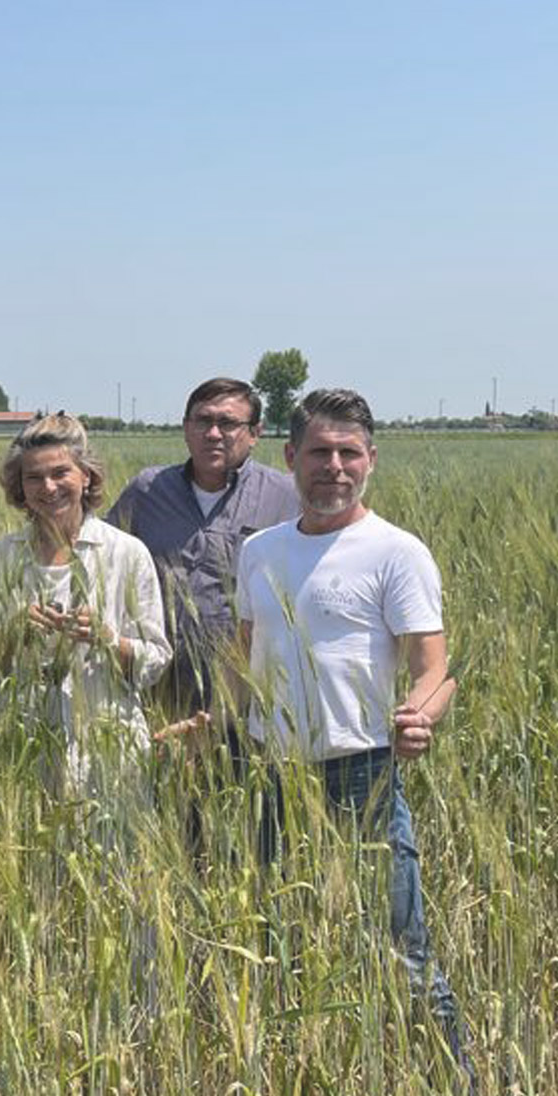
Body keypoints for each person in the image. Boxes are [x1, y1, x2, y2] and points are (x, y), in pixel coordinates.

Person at [236, 388, 474, 1087]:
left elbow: (436, 668)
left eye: (348, 453)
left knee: (404, 949)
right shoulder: (260, 551)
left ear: (371, 459)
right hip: (273, 777)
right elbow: (244, 656)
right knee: (280, 943)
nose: (333, 466)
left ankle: (459, 1076)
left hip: (362, 776)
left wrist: (421, 714)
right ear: (290, 459)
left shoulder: (396, 552)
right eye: (319, 452)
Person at [0, 412, 171, 791]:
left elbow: (155, 662)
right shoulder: (0, 560)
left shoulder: (126, 554)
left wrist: (108, 639)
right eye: (33, 477)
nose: (48, 487)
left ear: (86, 476)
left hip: (110, 757)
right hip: (23, 755)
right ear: (19, 485)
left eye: (60, 472)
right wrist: (12, 634)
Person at [106, 377, 298, 716]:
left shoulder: (285, 498)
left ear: (255, 433)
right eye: (203, 421)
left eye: (227, 423)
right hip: (157, 689)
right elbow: (103, 561)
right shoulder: (147, 491)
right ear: (185, 428)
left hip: (248, 696)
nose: (213, 434)